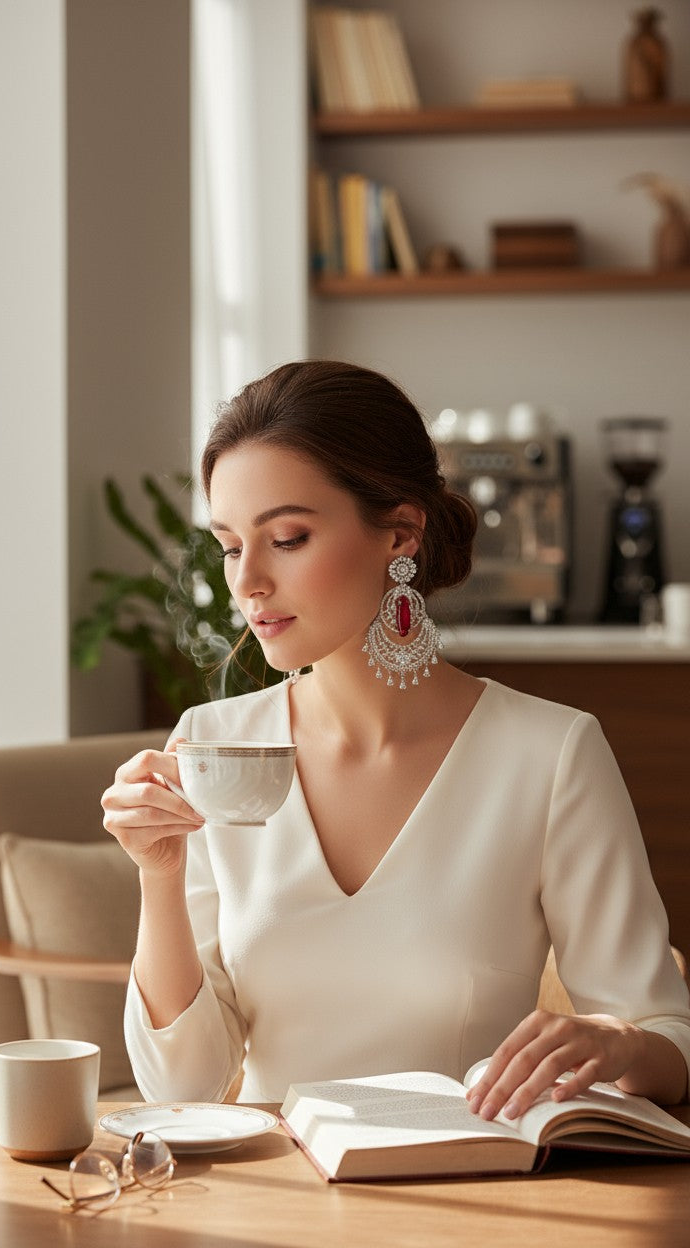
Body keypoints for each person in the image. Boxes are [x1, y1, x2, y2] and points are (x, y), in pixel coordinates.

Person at [102, 360, 690, 1120]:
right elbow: (185, 1090)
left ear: (401, 533)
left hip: (468, 1209)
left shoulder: (550, 756)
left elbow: (668, 1039)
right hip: (265, 1214)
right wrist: (158, 874)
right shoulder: (214, 747)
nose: (246, 581)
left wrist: (616, 1044)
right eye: (228, 545)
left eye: (287, 537)